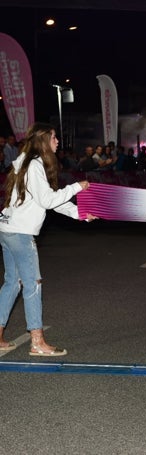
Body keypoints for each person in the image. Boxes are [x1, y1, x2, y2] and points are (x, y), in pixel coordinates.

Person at [0, 123, 97, 356]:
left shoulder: (27, 164)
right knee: (33, 284)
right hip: (20, 232)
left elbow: (52, 200)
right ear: (44, 140)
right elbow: (48, 200)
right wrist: (77, 187)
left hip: (8, 229)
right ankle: (37, 342)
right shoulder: (33, 165)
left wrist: (80, 214)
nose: (57, 141)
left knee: (13, 283)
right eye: (54, 137)